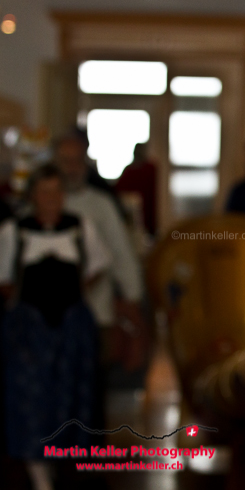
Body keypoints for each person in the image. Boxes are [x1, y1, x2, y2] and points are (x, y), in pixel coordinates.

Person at [0, 164, 110, 488]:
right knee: (30, 403)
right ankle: (39, 475)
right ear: (33, 195)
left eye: (57, 192)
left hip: (71, 330)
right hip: (29, 331)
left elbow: (97, 266)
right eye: (45, 192)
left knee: (70, 401)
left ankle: (64, 469)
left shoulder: (80, 227)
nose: (52, 199)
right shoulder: (14, 231)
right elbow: (4, 279)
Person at [54, 136, 146, 374]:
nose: (72, 169)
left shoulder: (101, 204)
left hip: (96, 310)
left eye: (77, 161)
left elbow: (120, 251)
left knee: (91, 377)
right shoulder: (42, 203)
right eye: (66, 161)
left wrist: (132, 297)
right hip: (51, 315)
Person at [115, 142, 158, 236]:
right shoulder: (129, 170)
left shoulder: (150, 169)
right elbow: (118, 190)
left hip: (147, 210)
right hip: (131, 214)